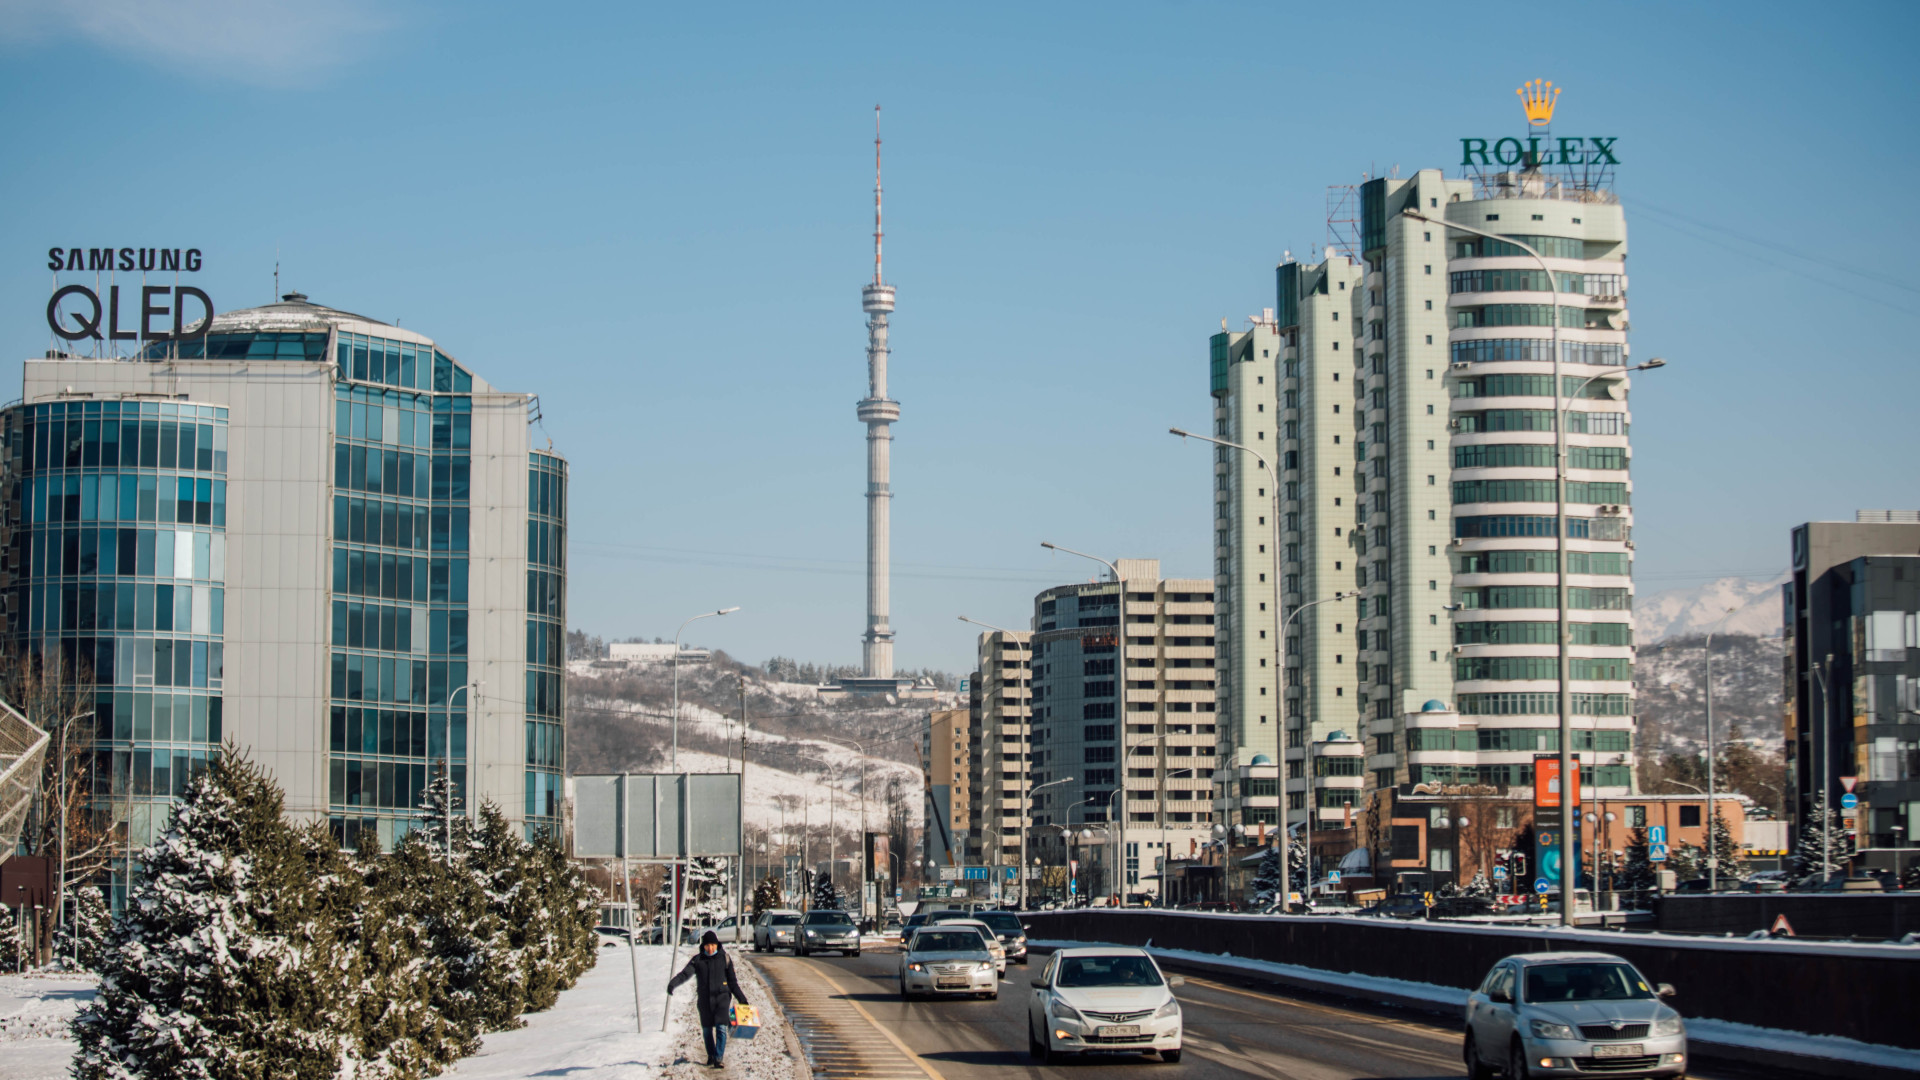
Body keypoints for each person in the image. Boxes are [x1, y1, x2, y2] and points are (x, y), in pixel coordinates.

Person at [668, 930, 751, 1067]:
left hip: (722, 998)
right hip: (704, 1000)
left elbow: (732, 982)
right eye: (707, 945)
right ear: (704, 946)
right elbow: (684, 974)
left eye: (713, 945)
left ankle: (718, 1058)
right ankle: (711, 1055)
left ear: (717, 945)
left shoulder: (725, 958)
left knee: (721, 1028)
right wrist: (673, 984)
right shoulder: (698, 960)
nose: (710, 948)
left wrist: (742, 999)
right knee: (707, 1030)